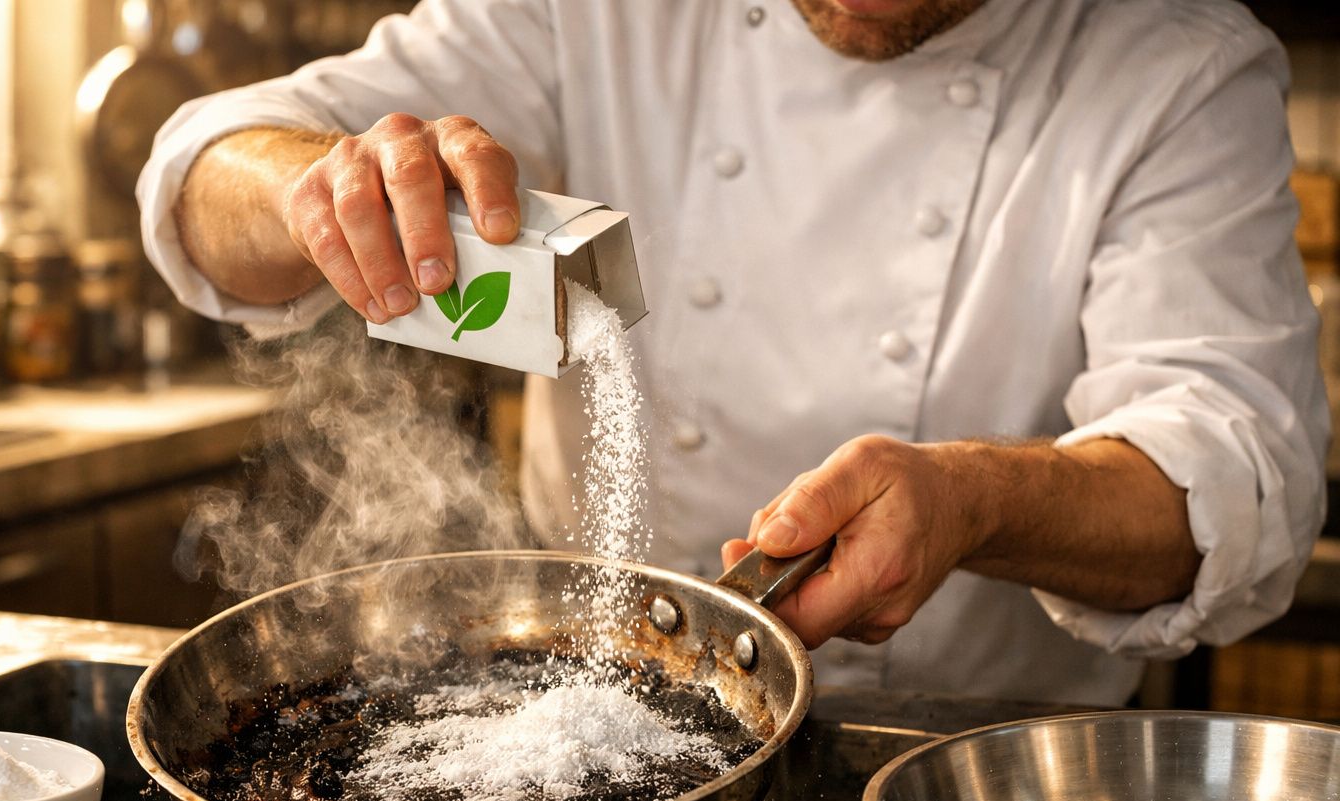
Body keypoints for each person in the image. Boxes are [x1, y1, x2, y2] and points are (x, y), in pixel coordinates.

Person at [138, 0, 1330, 704]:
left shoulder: (1176, 61)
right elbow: (199, 173)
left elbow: (1230, 482)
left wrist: (973, 499)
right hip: (594, 713)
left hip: (969, 780)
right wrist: (318, 185)